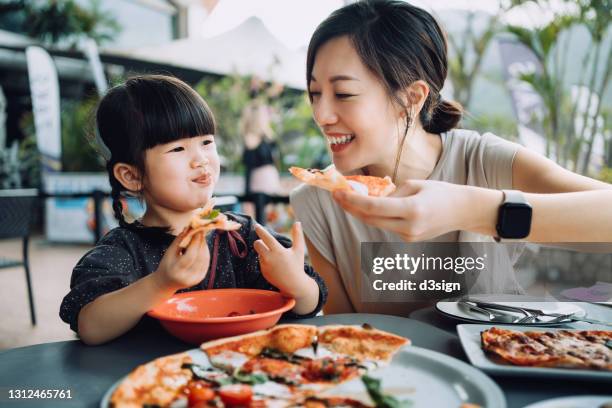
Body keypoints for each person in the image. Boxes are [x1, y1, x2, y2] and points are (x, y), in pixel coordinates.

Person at [289, 0, 612, 316]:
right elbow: (347, 333)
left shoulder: (485, 161)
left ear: (411, 98)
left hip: (506, 358)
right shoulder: (318, 200)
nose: (321, 114)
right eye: (315, 93)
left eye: (343, 93)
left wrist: (474, 210)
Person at [60, 75, 326, 345]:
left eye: (206, 142)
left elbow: (309, 303)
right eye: (178, 148)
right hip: (157, 381)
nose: (201, 159)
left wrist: (296, 282)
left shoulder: (243, 238)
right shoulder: (123, 250)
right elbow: (90, 327)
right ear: (131, 176)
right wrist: (161, 283)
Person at [241, 101, 282, 196]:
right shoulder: (251, 138)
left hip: (271, 179)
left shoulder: (268, 136)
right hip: (261, 182)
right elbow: (249, 166)